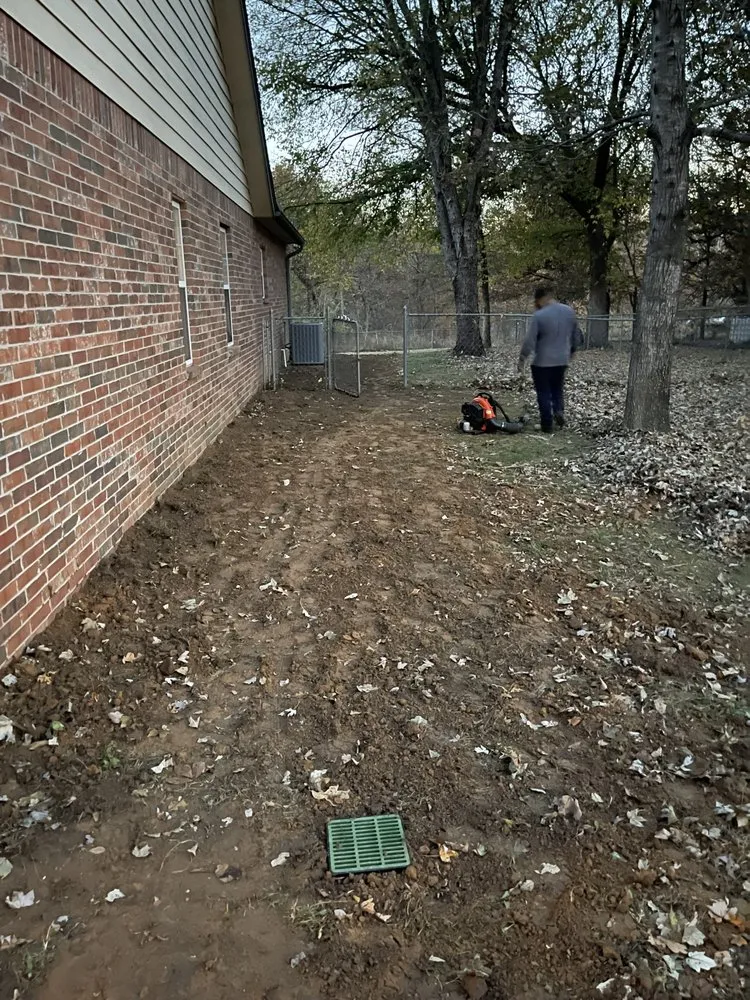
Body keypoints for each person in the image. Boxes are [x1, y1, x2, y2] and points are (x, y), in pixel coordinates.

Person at [517, 287, 582, 433]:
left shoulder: (540, 315)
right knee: (557, 388)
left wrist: (522, 358)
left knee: (544, 392)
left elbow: (529, 341)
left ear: (540, 299)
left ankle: (547, 423)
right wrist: (572, 351)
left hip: (543, 361)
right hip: (562, 359)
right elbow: (576, 335)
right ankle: (558, 411)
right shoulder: (568, 311)